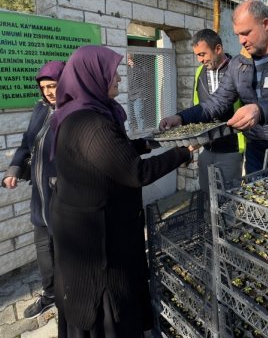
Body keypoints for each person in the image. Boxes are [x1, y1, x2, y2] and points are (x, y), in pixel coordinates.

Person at [50, 45, 196, 337]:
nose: (117, 78)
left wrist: (148, 143)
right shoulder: (93, 124)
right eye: (110, 72)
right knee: (108, 308)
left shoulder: (76, 114)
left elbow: (110, 156)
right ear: (92, 76)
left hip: (82, 229)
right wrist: (183, 152)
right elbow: (134, 172)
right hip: (100, 241)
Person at [160, 0, 268, 174]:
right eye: (238, 34)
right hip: (257, 152)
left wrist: (260, 111)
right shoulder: (238, 63)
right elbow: (217, 102)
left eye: (246, 33)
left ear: (265, 24)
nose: (241, 41)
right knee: (255, 200)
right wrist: (181, 118)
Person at [2, 60, 65, 319]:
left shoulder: (74, 111)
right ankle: (50, 295)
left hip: (64, 194)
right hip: (40, 193)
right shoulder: (40, 109)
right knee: (43, 248)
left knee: (66, 249)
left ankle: (70, 296)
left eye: (53, 86)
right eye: (44, 87)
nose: (49, 92)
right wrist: (14, 169)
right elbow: (26, 143)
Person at [190, 29, 245, 192]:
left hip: (231, 148)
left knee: (229, 200)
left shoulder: (238, 69)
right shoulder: (199, 72)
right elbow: (195, 104)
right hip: (206, 149)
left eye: (202, 54)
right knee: (207, 196)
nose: (200, 60)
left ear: (218, 49)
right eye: (197, 55)